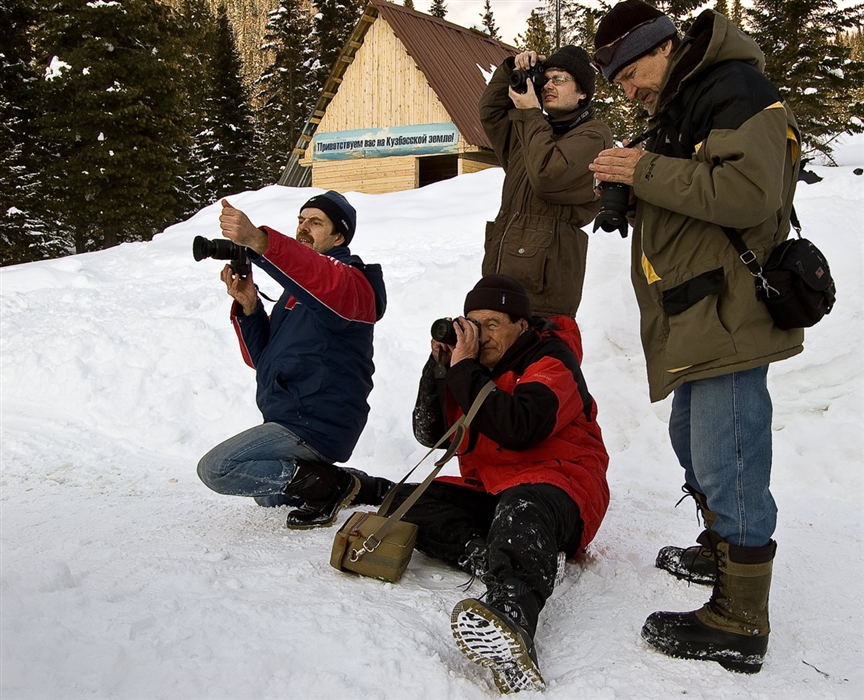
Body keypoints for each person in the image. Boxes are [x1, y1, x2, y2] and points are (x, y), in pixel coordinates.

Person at [589, 0, 803, 674]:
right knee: (695, 441)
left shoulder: (738, 90)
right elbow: (697, 184)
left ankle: (741, 618)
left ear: (660, 47)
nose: (628, 92)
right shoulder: (691, 99)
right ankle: (719, 547)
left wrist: (641, 172)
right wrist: (636, 182)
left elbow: (746, 193)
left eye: (627, 76)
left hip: (731, 309)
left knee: (729, 455)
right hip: (699, 308)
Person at [388, 274, 609, 693]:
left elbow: (519, 427)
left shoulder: (552, 360)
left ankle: (512, 617)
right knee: (406, 502)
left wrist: (467, 369)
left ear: (521, 325)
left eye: (493, 323)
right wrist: (439, 371)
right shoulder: (470, 368)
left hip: (560, 486)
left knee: (523, 506)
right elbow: (431, 433)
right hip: (493, 488)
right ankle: (493, 557)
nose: (481, 334)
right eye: (474, 323)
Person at [197, 191, 387, 529]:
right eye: (301, 220)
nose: (303, 227)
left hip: (318, 421)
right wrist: (250, 307)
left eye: (316, 222)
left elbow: (316, 274)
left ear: (339, 236)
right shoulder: (298, 292)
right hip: (292, 417)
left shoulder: (351, 284)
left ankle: (331, 485)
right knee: (268, 493)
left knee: (218, 468)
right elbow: (264, 360)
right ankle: (351, 483)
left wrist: (258, 240)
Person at [479, 45, 613, 319]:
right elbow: (490, 113)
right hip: (501, 281)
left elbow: (547, 177)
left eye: (560, 79)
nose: (549, 86)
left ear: (582, 93)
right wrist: (511, 70)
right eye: (546, 79)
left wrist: (531, 113)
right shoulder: (532, 132)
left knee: (541, 362)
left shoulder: (594, 136)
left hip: (543, 294)